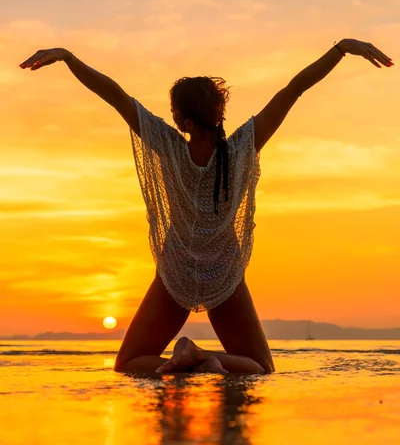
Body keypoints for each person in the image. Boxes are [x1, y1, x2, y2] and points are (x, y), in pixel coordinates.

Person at [19, 39, 394, 375]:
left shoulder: (167, 145)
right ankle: (201, 356)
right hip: (223, 271)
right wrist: (340, 50)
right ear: (219, 112)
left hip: (178, 267)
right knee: (261, 367)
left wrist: (68, 58)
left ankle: (187, 360)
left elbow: (115, 95)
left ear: (182, 119)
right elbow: (292, 91)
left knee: (129, 364)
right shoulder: (244, 145)